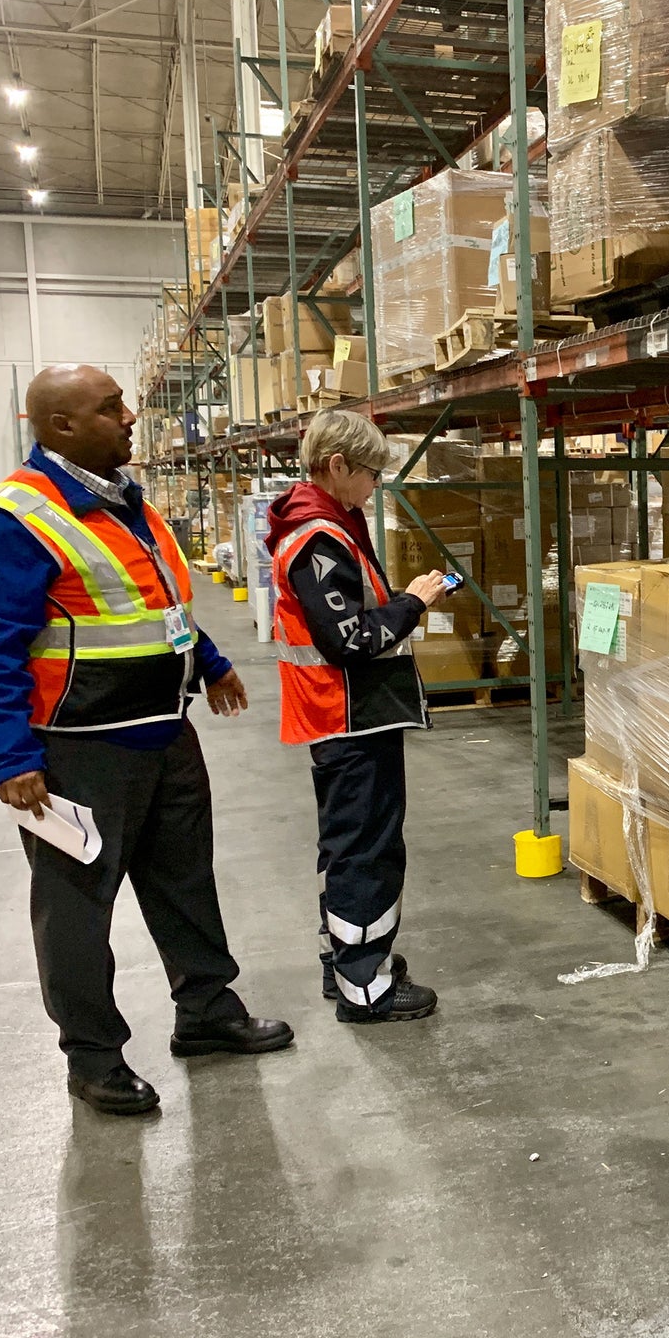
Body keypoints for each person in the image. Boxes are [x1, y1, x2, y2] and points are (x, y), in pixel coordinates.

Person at [0, 364, 292, 1117]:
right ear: (61, 427)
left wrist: (211, 661)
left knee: (184, 881)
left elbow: (158, 602)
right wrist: (12, 760)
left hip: (165, 732)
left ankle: (207, 1011)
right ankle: (94, 1055)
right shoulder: (13, 520)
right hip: (76, 751)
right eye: (111, 410)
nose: (131, 417)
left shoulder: (128, 502)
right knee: (77, 907)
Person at [266, 410, 449, 1024]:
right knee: (367, 849)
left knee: (348, 842)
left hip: (345, 713)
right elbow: (351, 640)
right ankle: (364, 986)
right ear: (337, 465)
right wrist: (413, 603)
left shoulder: (328, 522)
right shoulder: (318, 537)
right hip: (346, 715)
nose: (375, 486)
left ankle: (344, 959)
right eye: (371, 474)